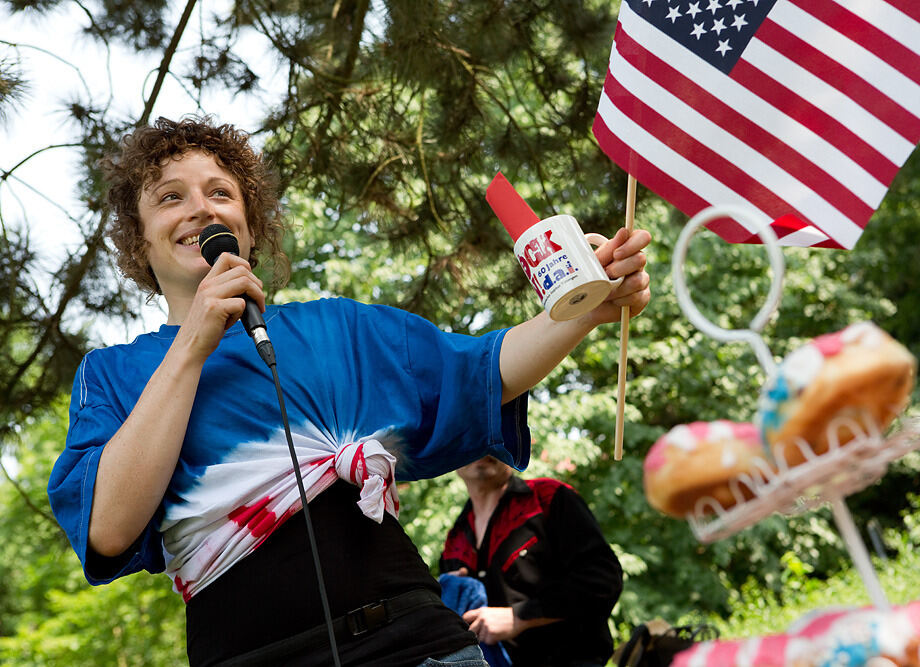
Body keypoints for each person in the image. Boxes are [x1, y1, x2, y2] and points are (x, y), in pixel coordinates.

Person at [46, 115, 651, 666]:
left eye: (221, 193)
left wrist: (585, 307)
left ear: (250, 230)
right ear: (140, 241)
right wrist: (191, 345)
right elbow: (108, 528)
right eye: (170, 197)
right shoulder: (113, 374)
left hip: (415, 645)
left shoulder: (333, 328)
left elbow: (486, 370)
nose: (201, 208)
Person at [439, 456, 624, 667]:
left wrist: (520, 617)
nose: (482, 448)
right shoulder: (454, 538)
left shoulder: (549, 498)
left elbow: (604, 580)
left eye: (492, 440)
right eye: (470, 441)